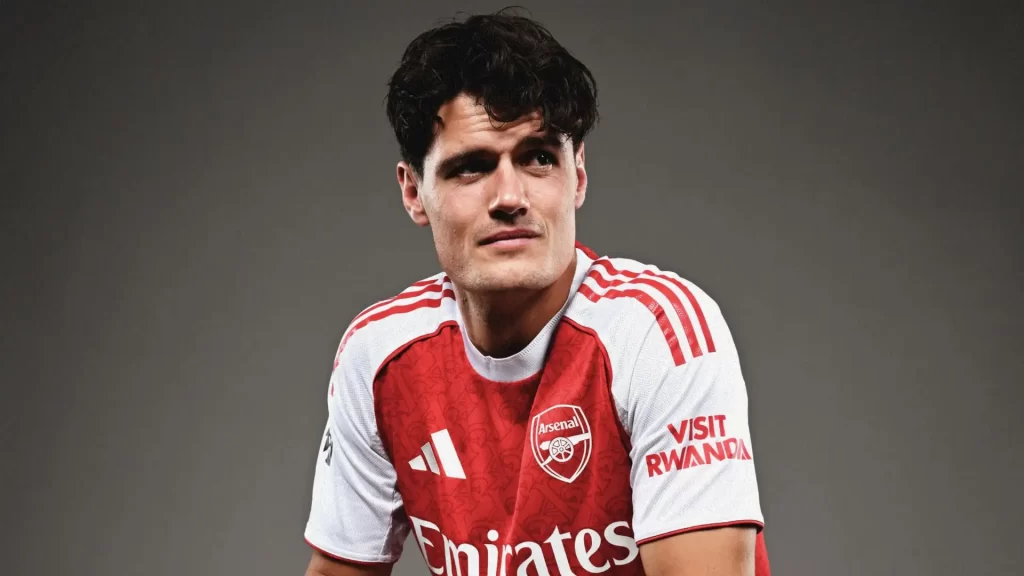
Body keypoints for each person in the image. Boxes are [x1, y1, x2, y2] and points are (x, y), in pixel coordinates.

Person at [303, 8, 771, 576]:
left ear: (578, 175)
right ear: (413, 192)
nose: (510, 197)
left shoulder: (658, 334)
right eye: (471, 168)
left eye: (538, 158)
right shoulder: (378, 355)